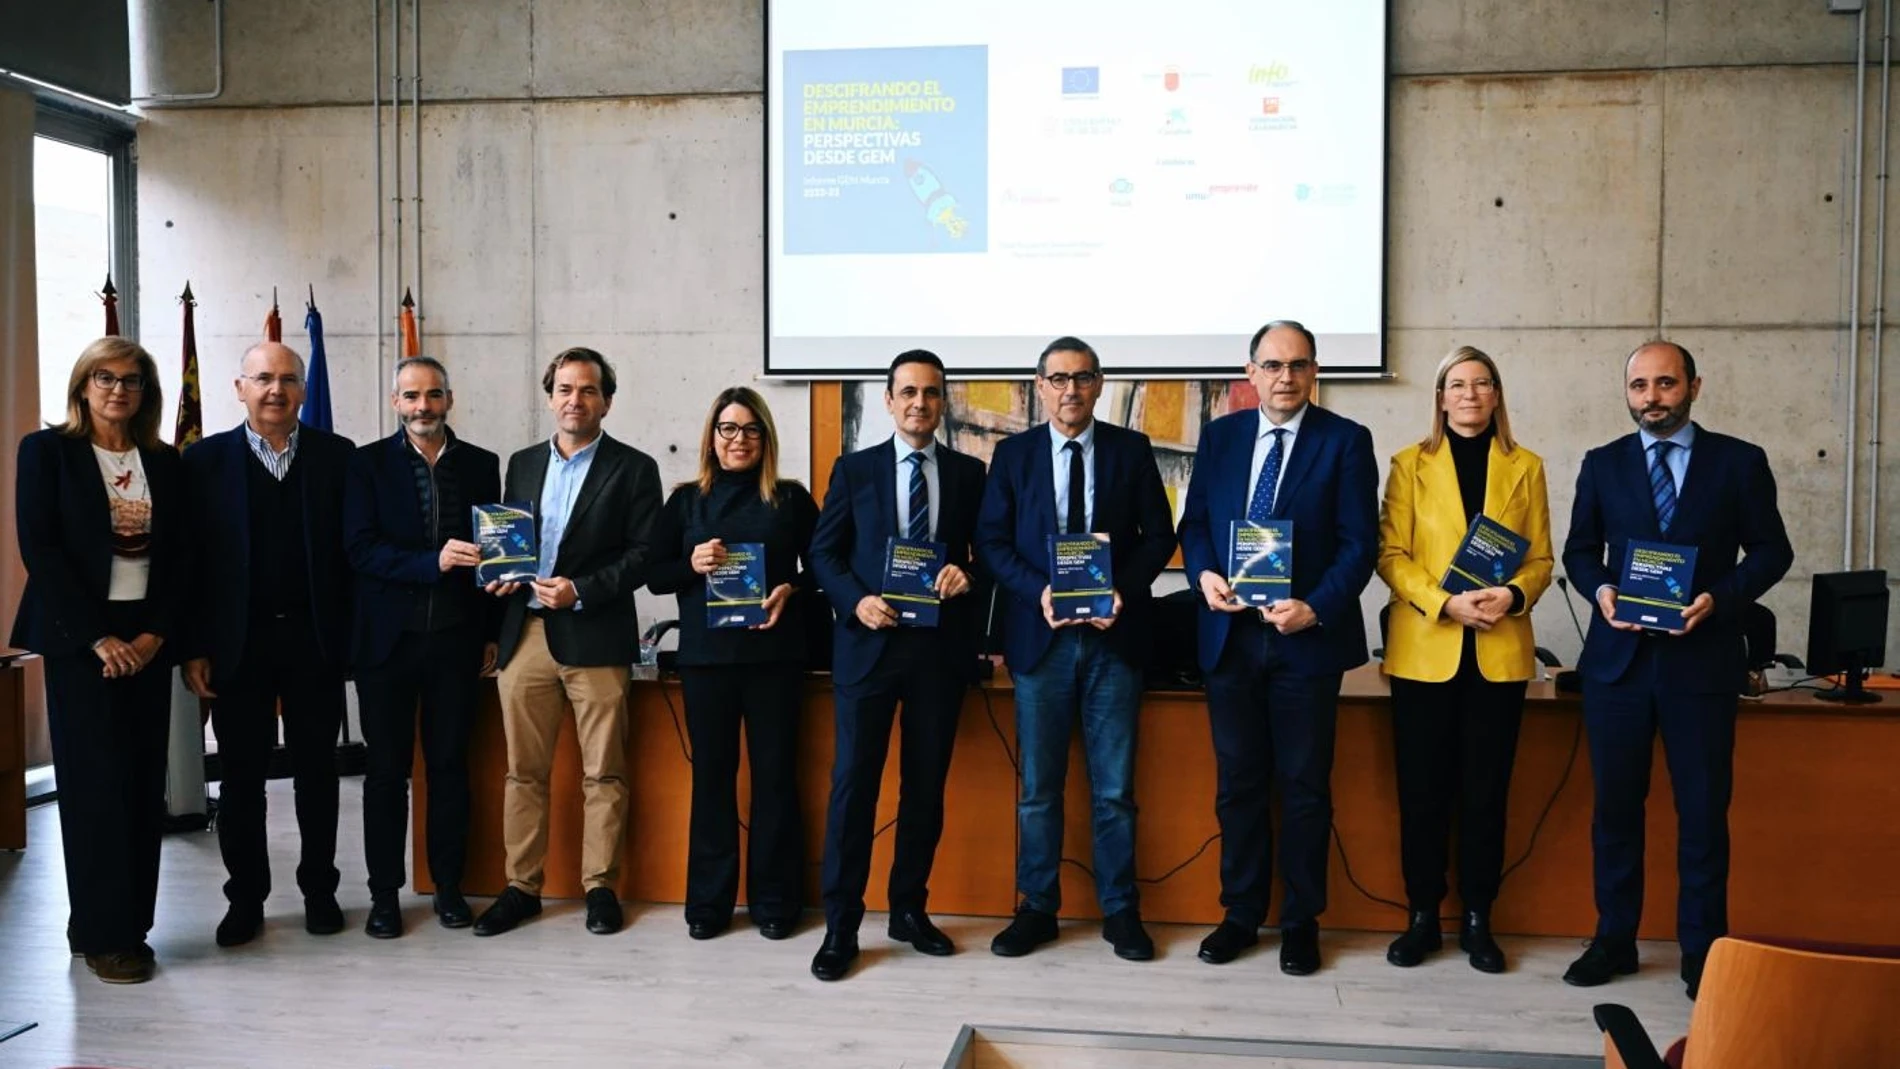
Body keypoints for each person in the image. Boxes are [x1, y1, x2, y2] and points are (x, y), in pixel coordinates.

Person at [1560, 341, 1792, 999]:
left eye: (1665, 383)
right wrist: (1602, 592)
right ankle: (1615, 939)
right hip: (1618, 667)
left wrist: (1721, 598)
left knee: (1702, 812)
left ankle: (1702, 949)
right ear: (1627, 391)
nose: (1652, 397)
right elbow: (1580, 550)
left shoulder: (1739, 462)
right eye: (1639, 385)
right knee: (1614, 812)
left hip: (1703, 662)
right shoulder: (1602, 465)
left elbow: (1774, 549)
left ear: (1694, 385)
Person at [1176, 320, 1379, 975]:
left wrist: (1314, 605)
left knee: (1304, 788)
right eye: (1272, 364)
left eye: (1298, 365)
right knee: (1237, 786)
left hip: (1304, 644)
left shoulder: (1346, 441)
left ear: (1314, 371)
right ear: (1251, 371)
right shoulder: (1221, 436)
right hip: (1231, 639)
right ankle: (1240, 914)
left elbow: (1359, 544)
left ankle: (1300, 920)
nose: (1285, 376)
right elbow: (1197, 521)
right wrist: (1204, 571)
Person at [976, 336, 1177, 962]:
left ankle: (1120, 911)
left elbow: (1158, 537)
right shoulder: (1013, 455)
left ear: (1099, 383)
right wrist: (1038, 591)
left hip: (1114, 640)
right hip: (1042, 644)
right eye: (1058, 379)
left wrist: (1123, 585)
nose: (1071, 390)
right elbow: (991, 542)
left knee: (1114, 789)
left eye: (1083, 378)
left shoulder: (1131, 449)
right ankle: (1037, 908)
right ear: (1040, 386)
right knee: (1039, 788)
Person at [808, 349, 986, 982]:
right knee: (854, 788)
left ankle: (909, 909)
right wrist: (857, 600)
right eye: (907, 392)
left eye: (931, 393)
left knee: (924, 790)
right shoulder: (853, 470)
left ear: (943, 402)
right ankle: (841, 926)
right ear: (888, 401)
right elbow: (823, 555)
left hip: (938, 654)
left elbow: (985, 555)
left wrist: (969, 574)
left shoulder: (969, 474)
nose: (919, 403)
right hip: (869, 649)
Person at [1375, 345, 1553, 973]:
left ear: (1497, 395)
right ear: (1441, 397)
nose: (1470, 394)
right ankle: (1423, 915)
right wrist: (1445, 604)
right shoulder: (1408, 464)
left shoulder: (1526, 466)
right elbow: (1391, 555)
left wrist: (1512, 593)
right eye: (1457, 384)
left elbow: (1541, 560)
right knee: (1422, 794)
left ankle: (1479, 917)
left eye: (1482, 384)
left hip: (1499, 654)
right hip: (1426, 652)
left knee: (1485, 795)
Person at [11, 337, 185, 983]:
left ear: (147, 391)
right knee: (95, 789)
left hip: (146, 642)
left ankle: (118, 923)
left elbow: (183, 558)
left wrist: (154, 636)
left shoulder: (165, 462)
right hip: (80, 643)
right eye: (104, 377)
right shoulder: (47, 451)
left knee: (142, 787)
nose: (118, 389)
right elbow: (42, 550)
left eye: (132, 380)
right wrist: (96, 638)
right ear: (83, 386)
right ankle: (106, 934)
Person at [473, 347, 662, 938]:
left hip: (595, 635)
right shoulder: (522, 463)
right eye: (564, 389)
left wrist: (580, 590)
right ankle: (521, 888)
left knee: (604, 773)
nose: (574, 401)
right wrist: (500, 573)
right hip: (523, 635)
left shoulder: (634, 468)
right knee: (522, 773)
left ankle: (599, 887)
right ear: (549, 396)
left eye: (587, 390)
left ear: (607, 399)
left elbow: (644, 556)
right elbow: (512, 543)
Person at [181, 341, 356, 947]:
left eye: (287, 379)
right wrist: (195, 646)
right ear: (239, 388)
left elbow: (351, 558)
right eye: (262, 379)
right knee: (242, 780)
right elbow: (190, 565)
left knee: (318, 775)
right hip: (237, 645)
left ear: (304, 391)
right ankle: (246, 899)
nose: (275, 390)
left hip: (314, 640)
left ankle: (320, 891)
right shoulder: (202, 462)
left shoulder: (338, 457)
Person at [646, 387, 817, 941]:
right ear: (712, 437)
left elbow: (823, 572)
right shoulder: (685, 501)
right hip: (707, 661)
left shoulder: (790, 500)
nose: (737, 439)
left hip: (774, 659)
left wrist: (792, 587)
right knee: (712, 782)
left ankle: (775, 902)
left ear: (765, 438)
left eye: (749, 429)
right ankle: (709, 905)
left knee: (774, 781)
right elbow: (656, 575)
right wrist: (691, 563)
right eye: (727, 429)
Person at [342, 356, 501, 938]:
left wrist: (491, 629)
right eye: (410, 396)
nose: (422, 407)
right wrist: (429, 563)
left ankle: (449, 888)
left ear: (449, 400)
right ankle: (384, 896)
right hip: (386, 645)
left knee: (450, 770)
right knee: (385, 775)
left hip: (458, 643)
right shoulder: (365, 466)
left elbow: (497, 554)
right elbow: (359, 550)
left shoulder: (483, 465)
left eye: (433, 396)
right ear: (395, 403)